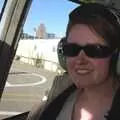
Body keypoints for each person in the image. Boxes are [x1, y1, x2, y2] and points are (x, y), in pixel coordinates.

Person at [27, 3, 120, 120]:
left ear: (114, 54)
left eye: (94, 50)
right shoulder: (59, 89)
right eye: (72, 49)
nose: (80, 60)